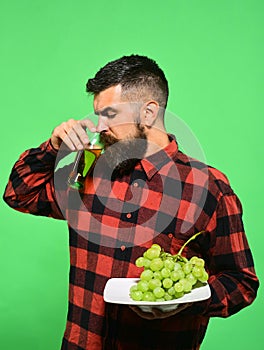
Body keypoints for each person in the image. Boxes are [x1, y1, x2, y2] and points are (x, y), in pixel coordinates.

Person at [3, 55, 259, 350]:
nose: (99, 127)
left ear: (148, 113)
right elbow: (19, 194)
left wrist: (188, 302)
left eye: (109, 114)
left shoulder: (209, 188)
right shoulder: (90, 166)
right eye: (97, 114)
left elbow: (241, 282)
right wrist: (53, 147)